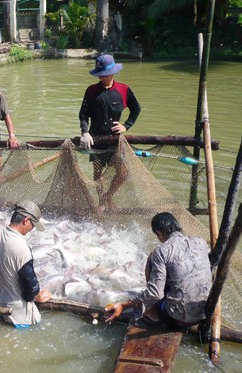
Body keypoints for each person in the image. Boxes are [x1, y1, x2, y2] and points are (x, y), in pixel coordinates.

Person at [105, 212, 212, 328]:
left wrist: (124, 305)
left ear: (159, 233)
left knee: (151, 258)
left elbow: (155, 294)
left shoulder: (162, 251)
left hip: (176, 317)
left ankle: (153, 312)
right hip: (205, 313)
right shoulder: (201, 243)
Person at [78, 54, 141, 211]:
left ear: (113, 72)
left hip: (115, 141)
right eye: (100, 75)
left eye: (105, 74)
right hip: (96, 139)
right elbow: (83, 114)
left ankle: (108, 196)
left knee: (123, 172)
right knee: (98, 173)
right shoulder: (91, 91)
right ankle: (101, 202)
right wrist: (85, 132)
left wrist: (126, 125)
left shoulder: (123, 90)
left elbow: (136, 109)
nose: (103, 77)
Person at [0, 200, 52, 328]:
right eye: (33, 225)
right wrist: (40, 295)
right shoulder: (22, 248)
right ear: (26, 220)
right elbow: (30, 292)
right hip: (19, 317)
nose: (32, 229)